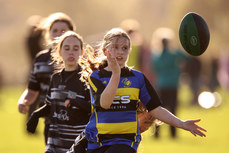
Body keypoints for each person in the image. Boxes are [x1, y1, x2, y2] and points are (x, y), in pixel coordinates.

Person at [78, 28, 206, 153]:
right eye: (115, 47)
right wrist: (116, 74)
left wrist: (181, 124)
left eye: (125, 48)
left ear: (130, 51)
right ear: (105, 51)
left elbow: (156, 109)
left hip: (125, 142)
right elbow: (105, 104)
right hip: (97, 142)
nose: (120, 52)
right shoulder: (96, 77)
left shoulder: (137, 78)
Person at [27, 31, 91, 153]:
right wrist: (35, 115)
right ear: (59, 52)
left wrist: (76, 102)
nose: (71, 52)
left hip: (78, 144)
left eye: (75, 48)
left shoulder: (87, 79)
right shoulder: (55, 78)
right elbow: (51, 105)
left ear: (82, 52)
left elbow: (94, 108)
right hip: (54, 143)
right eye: (66, 48)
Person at [17, 12, 76, 143]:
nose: (59, 33)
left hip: (76, 122)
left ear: (71, 34)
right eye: (54, 30)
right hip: (50, 121)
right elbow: (32, 90)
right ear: (47, 34)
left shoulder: (80, 59)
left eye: (63, 30)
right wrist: (23, 101)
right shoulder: (40, 59)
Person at [151, 27, 189, 138]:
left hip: (161, 85)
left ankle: (156, 134)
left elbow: (154, 68)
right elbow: (187, 58)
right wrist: (176, 48)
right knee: (173, 109)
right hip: (173, 85)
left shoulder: (157, 55)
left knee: (159, 110)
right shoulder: (174, 54)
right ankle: (173, 134)